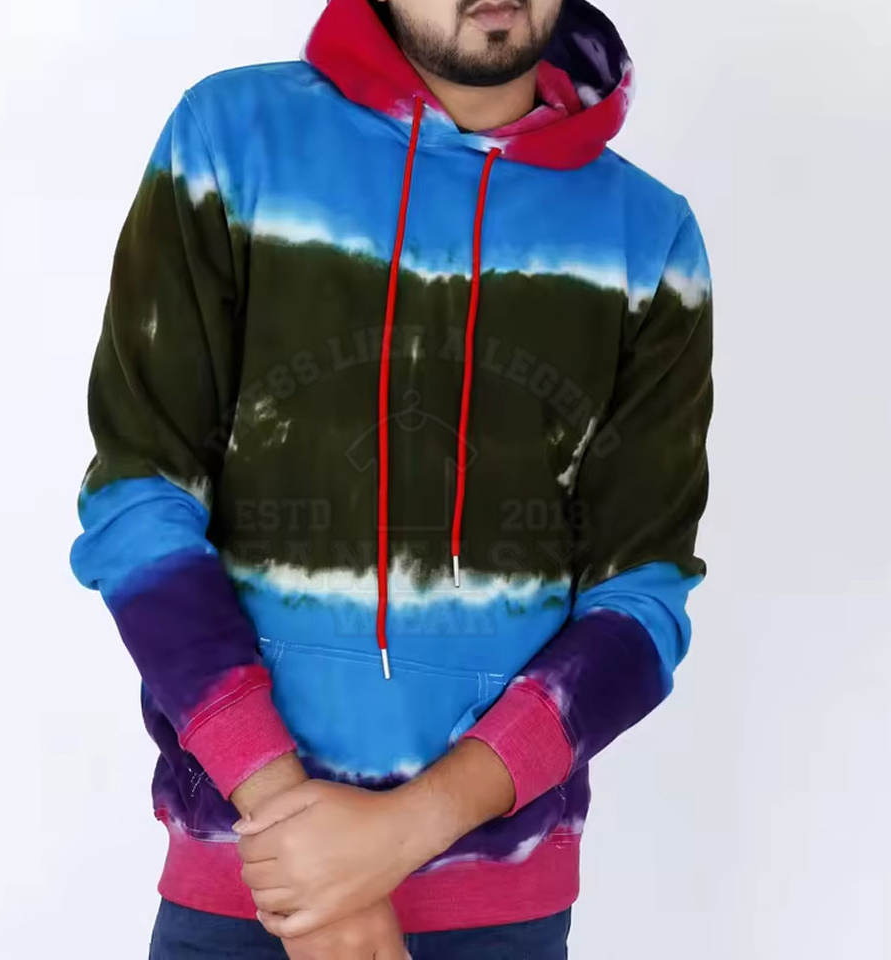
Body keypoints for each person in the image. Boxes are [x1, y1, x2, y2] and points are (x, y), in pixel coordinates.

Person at [68, 0, 714, 956]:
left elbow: (642, 602)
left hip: (501, 907)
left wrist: (400, 833)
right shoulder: (234, 142)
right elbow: (137, 501)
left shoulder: (649, 239)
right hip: (250, 880)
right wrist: (303, 843)